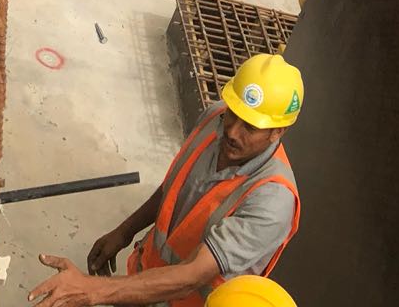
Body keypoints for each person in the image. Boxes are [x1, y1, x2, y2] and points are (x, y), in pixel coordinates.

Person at [29, 55, 302, 307]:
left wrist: (92, 290)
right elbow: (175, 188)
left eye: (250, 127)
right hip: (139, 287)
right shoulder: (214, 120)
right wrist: (125, 231)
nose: (231, 131)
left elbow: (192, 275)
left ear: (278, 131)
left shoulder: (272, 202)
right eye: (233, 114)